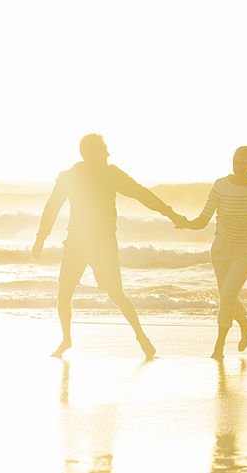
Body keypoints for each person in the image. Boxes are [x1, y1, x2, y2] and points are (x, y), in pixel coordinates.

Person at [32, 134, 183, 359]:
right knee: (64, 292)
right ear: (89, 153)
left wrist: (169, 212)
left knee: (116, 294)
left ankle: (141, 336)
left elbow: (142, 194)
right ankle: (66, 339)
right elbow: (52, 206)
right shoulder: (70, 177)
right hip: (76, 243)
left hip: (102, 245)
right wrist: (41, 236)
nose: (108, 153)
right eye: (103, 150)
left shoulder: (111, 174)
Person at [176, 146, 247, 359]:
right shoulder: (220, 185)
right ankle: (245, 323)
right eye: (236, 161)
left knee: (228, 294)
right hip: (221, 248)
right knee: (226, 295)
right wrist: (185, 224)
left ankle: (219, 347)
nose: (239, 166)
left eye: (243, 163)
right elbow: (204, 219)